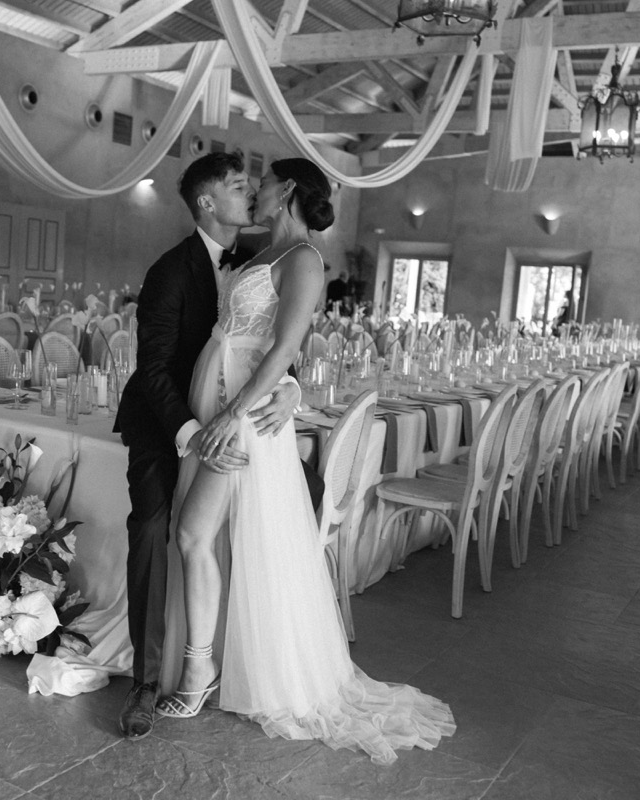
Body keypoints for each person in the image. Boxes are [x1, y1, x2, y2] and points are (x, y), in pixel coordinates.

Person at [156, 158, 455, 764]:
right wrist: (272, 390)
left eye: (262, 182)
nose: (254, 191)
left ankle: (199, 670)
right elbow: (256, 339)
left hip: (242, 413)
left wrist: (236, 412)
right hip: (222, 399)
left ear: (287, 189)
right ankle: (215, 662)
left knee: (192, 534)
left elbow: (286, 344)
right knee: (206, 537)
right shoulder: (261, 253)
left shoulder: (305, 260)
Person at [113, 152, 303, 741]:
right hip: (165, 423)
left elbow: (273, 344)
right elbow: (152, 371)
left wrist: (291, 390)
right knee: (153, 527)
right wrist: (194, 436)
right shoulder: (170, 271)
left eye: (252, 186)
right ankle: (146, 682)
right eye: (239, 186)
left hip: (228, 419)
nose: (250, 194)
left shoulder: (256, 263)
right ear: (206, 202)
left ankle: (252, 656)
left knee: (280, 502)